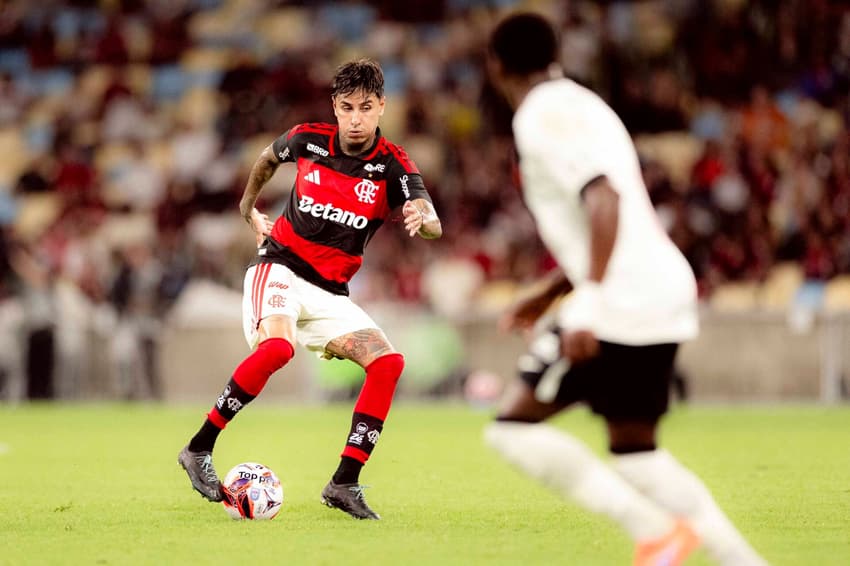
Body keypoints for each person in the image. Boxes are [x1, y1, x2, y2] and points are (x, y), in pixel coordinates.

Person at [484, 13, 767, 566]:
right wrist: (552, 289)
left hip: (621, 299)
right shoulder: (585, 103)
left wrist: (586, 300)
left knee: (511, 431)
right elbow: (607, 212)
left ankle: (655, 533)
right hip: (657, 288)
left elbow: (604, 200)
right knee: (637, 454)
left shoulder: (540, 115)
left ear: (495, 66)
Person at [178, 58, 442, 520]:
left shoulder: (394, 165)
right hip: (278, 267)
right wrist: (248, 210)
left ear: (382, 106)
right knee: (278, 349)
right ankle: (198, 448)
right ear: (334, 107)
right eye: (346, 107)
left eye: (365, 107)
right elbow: (266, 159)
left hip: (330, 294)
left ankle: (344, 481)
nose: (355, 118)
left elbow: (430, 215)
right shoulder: (308, 140)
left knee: (388, 364)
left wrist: (425, 220)